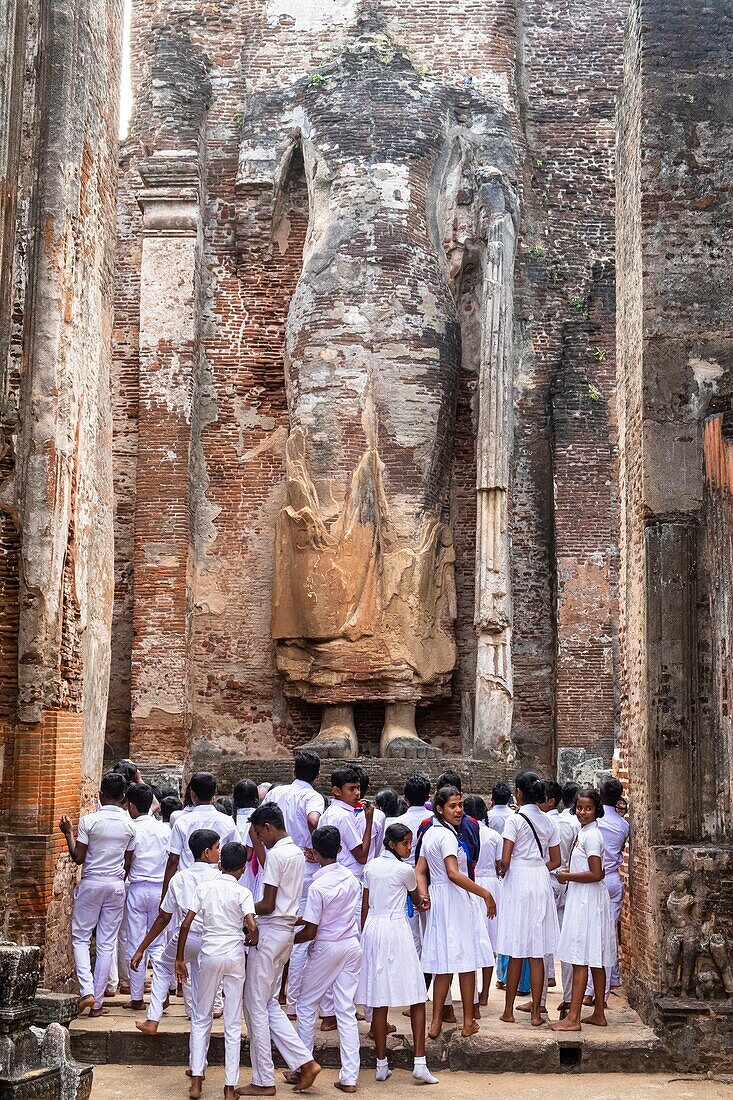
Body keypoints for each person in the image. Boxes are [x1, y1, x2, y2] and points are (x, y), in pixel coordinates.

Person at [240, 803, 321, 1096]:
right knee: (268, 1003)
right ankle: (305, 1062)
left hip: (272, 930)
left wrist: (243, 908)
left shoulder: (277, 855)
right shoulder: (297, 853)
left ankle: (263, 1079)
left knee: (254, 1006)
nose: (260, 840)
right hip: (284, 932)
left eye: (260, 834)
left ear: (268, 827)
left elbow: (269, 903)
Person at [176, 841, 258, 1100]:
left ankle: (197, 1081)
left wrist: (179, 958)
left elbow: (186, 924)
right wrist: (250, 938)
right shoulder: (243, 892)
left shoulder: (204, 888)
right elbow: (252, 926)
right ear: (243, 869)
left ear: (220, 864)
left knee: (202, 1018)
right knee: (233, 1023)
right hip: (234, 956)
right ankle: (229, 1087)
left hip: (209, 954)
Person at [358, 824, 438, 1085]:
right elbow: (417, 900)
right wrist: (424, 902)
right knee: (416, 995)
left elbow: (365, 904)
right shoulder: (404, 870)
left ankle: (382, 1063)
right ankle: (419, 1062)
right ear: (392, 844)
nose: (408, 847)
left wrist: (364, 934)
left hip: (373, 928)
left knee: (380, 997)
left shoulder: (370, 867)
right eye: (405, 843)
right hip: (395, 928)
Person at [416, 786, 495, 1039]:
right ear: (440, 809)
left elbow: (419, 870)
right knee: (465, 961)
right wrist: (484, 893)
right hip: (456, 899)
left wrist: (424, 893)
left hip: (440, 899)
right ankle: (468, 1021)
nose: (459, 810)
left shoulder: (430, 833)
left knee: (443, 963)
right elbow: (453, 873)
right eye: (453, 806)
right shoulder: (447, 837)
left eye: (460, 805)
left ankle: (436, 1021)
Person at [290, 826, 362, 1093]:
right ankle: (349, 1077)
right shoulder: (351, 879)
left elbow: (311, 930)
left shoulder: (318, 884)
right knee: (345, 1010)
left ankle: (302, 1066)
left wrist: (286, 941)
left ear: (314, 853)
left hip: (327, 947)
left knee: (307, 1005)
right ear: (341, 849)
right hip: (351, 945)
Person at [59, 771, 136, 1016]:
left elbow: (78, 857)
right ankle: (98, 1002)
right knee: (106, 942)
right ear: (123, 797)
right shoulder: (130, 826)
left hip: (92, 882)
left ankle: (87, 991)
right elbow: (129, 863)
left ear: (101, 794)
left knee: (81, 937)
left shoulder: (88, 821)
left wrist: (68, 833)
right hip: (115, 885)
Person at [132, 828, 222, 1036]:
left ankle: (153, 1018)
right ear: (207, 852)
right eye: (217, 848)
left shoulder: (180, 878)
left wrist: (141, 948)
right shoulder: (219, 877)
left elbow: (164, 917)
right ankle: (199, 1023)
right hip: (212, 939)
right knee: (199, 980)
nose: (220, 852)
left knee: (163, 966)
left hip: (188, 936)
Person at [263, 750, 325, 1017]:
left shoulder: (276, 793)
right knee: (299, 926)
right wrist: (317, 844)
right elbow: (313, 820)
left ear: (293, 771)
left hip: (277, 858)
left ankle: (273, 993)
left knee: (276, 921)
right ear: (318, 776)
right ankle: (292, 998)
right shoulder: (312, 796)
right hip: (304, 864)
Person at [496, 771, 560, 1027]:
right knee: (537, 950)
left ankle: (509, 1011)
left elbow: (505, 859)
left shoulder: (515, 820)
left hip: (519, 881)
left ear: (519, 793)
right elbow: (555, 860)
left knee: (516, 948)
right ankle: (536, 1012)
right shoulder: (548, 822)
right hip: (539, 879)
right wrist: (537, 865)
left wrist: (501, 868)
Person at [550, 787, 616, 1033]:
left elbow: (597, 873)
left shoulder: (591, 836)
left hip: (587, 898)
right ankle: (598, 1013)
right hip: (587, 897)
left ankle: (574, 1017)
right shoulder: (585, 832)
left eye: (588, 808)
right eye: (579, 808)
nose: (583, 812)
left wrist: (567, 876)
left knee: (580, 957)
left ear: (596, 809)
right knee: (595, 958)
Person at [123, 783, 170, 1010]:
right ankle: (161, 992)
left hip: (137, 887)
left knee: (135, 939)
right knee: (158, 943)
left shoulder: (130, 828)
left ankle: (137, 997)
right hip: (160, 888)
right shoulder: (164, 829)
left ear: (131, 806)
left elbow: (126, 860)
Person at [585, 777, 629, 1002]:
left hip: (596, 881)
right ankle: (605, 987)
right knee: (610, 935)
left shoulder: (595, 824)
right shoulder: (623, 825)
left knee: (592, 935)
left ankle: (590, 990)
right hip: (613, 880)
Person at [163, 772, 239, 893]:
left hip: (187, 886)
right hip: (217, 886)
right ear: (214, 795)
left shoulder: (182, 822)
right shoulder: (227, 822)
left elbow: (173, 861)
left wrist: (164, 895)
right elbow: (236, 854)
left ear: (193, 794)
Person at [463, 794, 502, 1005]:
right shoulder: (493, 835)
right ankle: (484, 993)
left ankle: (468, 993)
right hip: (490, 884)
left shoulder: (463, 832)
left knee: (470, 938)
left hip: (470, 883)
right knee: (489, 941)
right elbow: (500, 864)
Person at [394, 773, 432, 953]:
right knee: (432, 931)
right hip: (431, 879)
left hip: (403, 880)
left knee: (411, 933)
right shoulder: (436, 821)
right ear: (427, 797)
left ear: (405, 798)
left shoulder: (398, 823)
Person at [319, 768, 374, 890]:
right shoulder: (344, 817)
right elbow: (362, 857)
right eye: (351, 789)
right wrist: (369, 821)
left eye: (358, 788)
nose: (357, 793)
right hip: (348, 879)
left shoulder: (329, 813)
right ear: (337, 791)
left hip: (333, 877)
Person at [233, 778, 264, 901]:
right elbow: (249, 855)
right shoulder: (260, 819)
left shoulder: (230, 819)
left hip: (232, 870)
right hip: (250, 872)